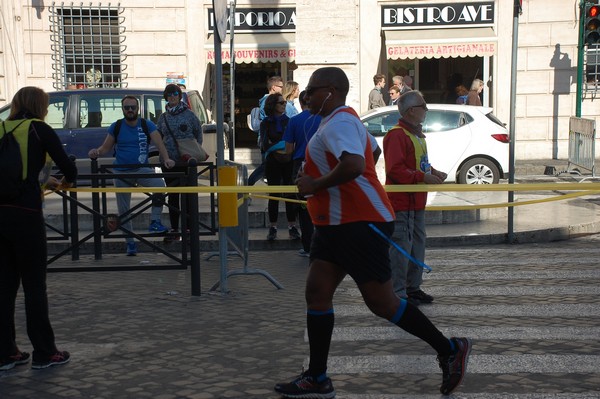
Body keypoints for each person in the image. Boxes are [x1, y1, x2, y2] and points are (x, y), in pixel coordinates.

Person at [273, 67, 472, 399]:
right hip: (335, 225)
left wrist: (314, 184)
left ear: (331, 92)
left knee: (382, 302)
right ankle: (318, 378)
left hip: (358, 223)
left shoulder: (339, 122)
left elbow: (353, 164)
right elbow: (371, 154)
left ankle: (450, 349)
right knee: (317, 293)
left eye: (312, 90)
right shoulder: (340, 122)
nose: (306, 96)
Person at [0, 86, 77, 370]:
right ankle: (45, 352)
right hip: (25, 213)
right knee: (34, 285)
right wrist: (56, 180)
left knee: (4, 286)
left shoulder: (1, 128)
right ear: (41, 105)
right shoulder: (38, 129)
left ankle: (6, 353)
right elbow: (68, 169)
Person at [88, 95, 175, 256]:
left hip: (142, 170)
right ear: (122, 109)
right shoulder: (117, 126)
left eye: (132, 107)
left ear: (138, 109)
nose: (130, 110)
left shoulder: (146, 124)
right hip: (121, 172)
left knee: (160, 186)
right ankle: (130, 244)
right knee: (124, 210)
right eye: (127, 108)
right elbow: (105, 148)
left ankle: (155, 221)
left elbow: (159, 143)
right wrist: (97, 152)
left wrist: (167, 158)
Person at [384, 90, 447, 307]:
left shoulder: (415, 134)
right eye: (423, 106)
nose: (426, 110)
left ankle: (412, 287)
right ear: (412, 111)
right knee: (401, 248)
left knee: (416, 246)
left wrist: (433, 172)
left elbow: (419, 163)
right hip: (403, 203)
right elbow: (395, 170)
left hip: (416, 201)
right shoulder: (397, 135)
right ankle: (398, 292)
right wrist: (424, 176)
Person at [156, 84, 203, 242]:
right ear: (165, 97)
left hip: (187, 162)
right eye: (169, 94)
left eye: (175, 93)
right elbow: (158, 136)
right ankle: (175, 228)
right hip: (169, 162)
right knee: (173, 196)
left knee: (189, 195)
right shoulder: (163, 117)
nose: (172, 96)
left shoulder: (189, 115)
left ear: (180, 95)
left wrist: (193, 151)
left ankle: (189, 229)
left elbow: (198, 133)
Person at [283, 90, 321, 257]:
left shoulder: (294, 121)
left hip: (301, 165)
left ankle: (308, 246)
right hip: (322, 163)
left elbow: (288, 150)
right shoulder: (324, 119)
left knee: (304, 207)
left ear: (300, 103)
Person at [260, 93, 300, 241]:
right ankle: (273, 227)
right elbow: (264, 144)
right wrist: (281, 147)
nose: (284, 105)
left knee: (289, 194)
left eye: (284, 103)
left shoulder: (289, 121)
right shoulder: (266, 123)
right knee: (274, 194)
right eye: (281, 103)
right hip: (273, 162)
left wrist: (280, 147)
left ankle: (292, 226)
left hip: (289, 160)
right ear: (273, 105)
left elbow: (293, 141)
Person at [248, 76, 284, 186]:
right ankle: (248, 183)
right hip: (268, 139)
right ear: (273, 87)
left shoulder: (267, 100)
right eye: (280, 86)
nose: (282, 88)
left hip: (270, 139)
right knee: (266, 165)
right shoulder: (268, 102)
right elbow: (267, 122)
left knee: (270, 167)